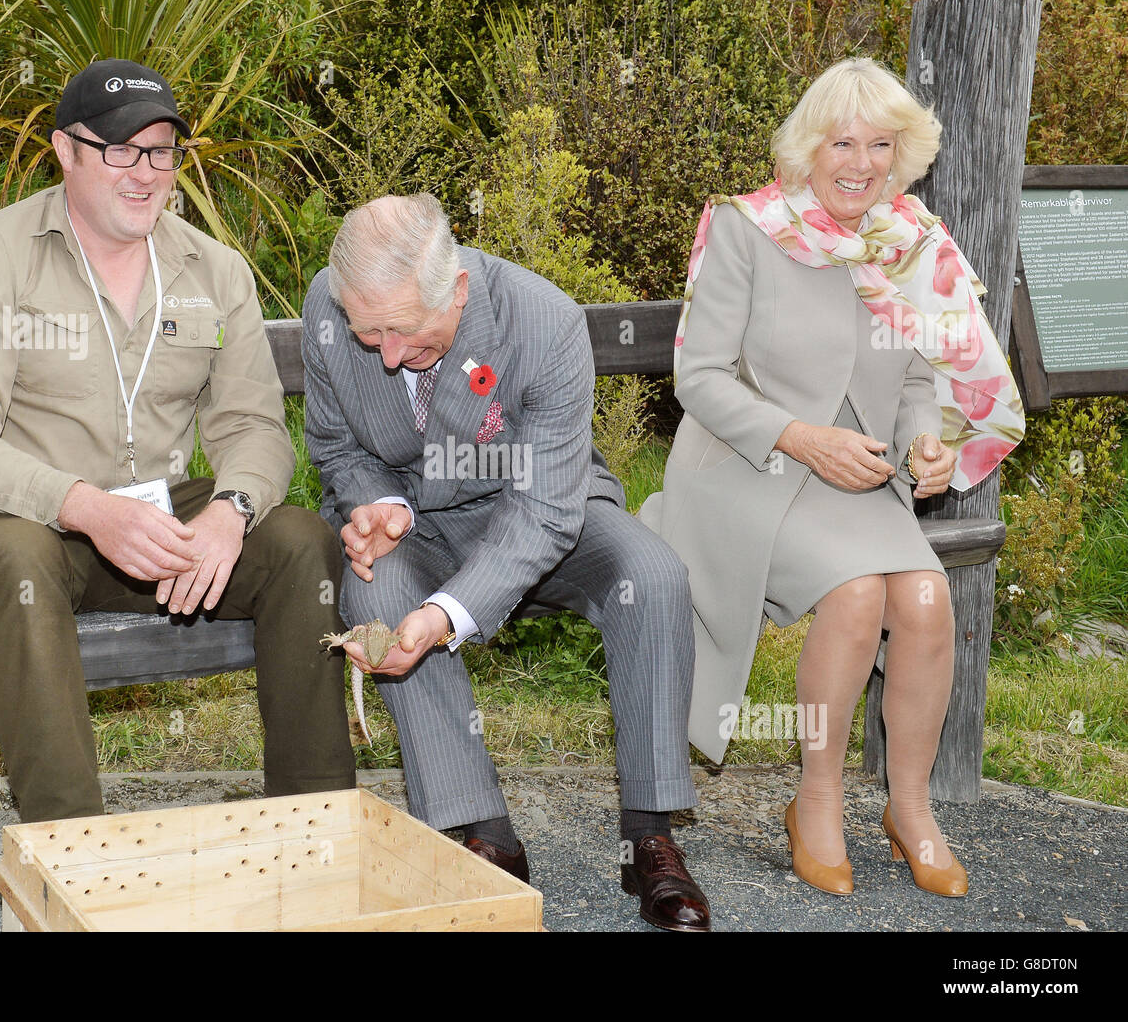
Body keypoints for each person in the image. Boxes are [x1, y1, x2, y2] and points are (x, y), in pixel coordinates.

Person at [0, 59, 356, 824]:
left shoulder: (214, 271)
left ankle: (314, 833)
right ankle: (74, 854)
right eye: (120, 150)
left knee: (295, 539)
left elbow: (254, 426)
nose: (144, 173)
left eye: (161, 152)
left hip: (157, 527)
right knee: (19, 560)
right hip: (18, 522)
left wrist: (230, 509)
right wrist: (83, 507)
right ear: (66, 149)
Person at [640, 57, 1024, 898]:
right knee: (857, 595)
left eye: (879, 144)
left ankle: (910, 808)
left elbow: (922, 379)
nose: (859, 162)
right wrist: (805, 439)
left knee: (925, 598)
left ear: (902, 151)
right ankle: (815, 801)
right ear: (808, 147)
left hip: (856, 478)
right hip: (750, 465)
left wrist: (928, 443)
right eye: (841, 142)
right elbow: (698, 378)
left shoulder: (909, 242)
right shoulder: (746, 228)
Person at [302, 193, 711, 931]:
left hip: (541, 507)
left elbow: (546, 512)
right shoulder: (330, 309)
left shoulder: (543, 322)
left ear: (456, 289)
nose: (387, 354)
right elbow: (337, 447)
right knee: (374, 594)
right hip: (416, 521)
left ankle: (649, 835)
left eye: (402, 330)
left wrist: (447, 613)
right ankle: (485, 835)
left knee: (650, 577)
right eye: (370, 334)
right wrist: (377, 505)